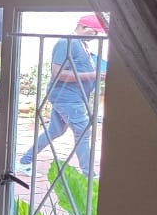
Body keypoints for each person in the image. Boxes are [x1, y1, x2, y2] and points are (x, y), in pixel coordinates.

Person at [17, 14, 105, 177]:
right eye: (94, 32)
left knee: (55, 131)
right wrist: (94, 75)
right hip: (67, 96)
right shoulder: (66, 42)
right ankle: (89, 175)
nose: (96, 36)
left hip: (73, 96)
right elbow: (57, 73)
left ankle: (24, 161)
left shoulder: (82, 44)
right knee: (83, 131)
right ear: (83, 27)